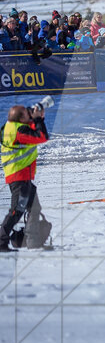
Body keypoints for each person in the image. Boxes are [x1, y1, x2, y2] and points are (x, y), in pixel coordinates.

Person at [0, 103, 49, 251]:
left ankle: (33, 241)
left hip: (22, 177)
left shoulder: (9, 127)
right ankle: (1, 240)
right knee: (17, 211)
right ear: (21, 118)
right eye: (27, 115)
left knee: (34, 208)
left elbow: (30, 130)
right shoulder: (19, 131)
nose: (29, 116)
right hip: (19, 177)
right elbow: (41, 136)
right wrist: (38, 120)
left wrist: (36, 119)